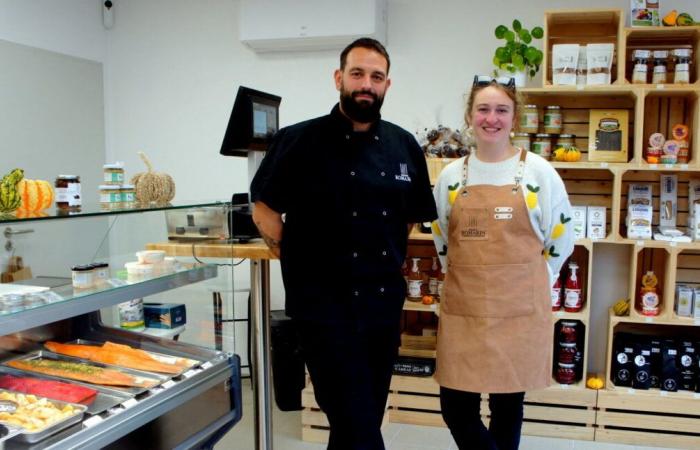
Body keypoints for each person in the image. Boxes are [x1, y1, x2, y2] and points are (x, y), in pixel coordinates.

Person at [250, 38, 437, 450]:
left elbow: (408, 219)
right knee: (359, 425)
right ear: (339, 78)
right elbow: (263, 210)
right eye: (357, 74)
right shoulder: (298, 141)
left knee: (361, 417)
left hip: (382, 308)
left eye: (376, 76)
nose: (365, 84)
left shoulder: (404, 146)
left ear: (388, 84)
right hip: (322, 309)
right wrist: (299, 256)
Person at [431, 75, 574, 450]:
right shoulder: (450, 176)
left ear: (514, 118)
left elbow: (562, 236)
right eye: (483, 109)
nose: (491, 118)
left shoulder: (538, 172)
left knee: (507, 406)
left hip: (517, 310)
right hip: (465, 308)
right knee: (455, 407)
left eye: (501, 110)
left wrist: (534, 277)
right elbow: (441, 235)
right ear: (470, 115)